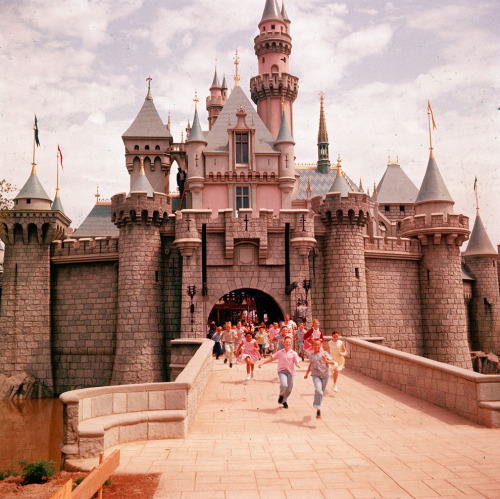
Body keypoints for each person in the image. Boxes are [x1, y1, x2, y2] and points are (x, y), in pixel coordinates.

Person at [258, 336, 301, 408]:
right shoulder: (280, 352)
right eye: (286, 342)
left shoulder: (294, 353)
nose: (288, 343)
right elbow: (272, 359)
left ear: (291, 343)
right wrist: (263, 363)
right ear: (284, 343)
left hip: (291, 372)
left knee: (289, 389)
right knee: (284, 385)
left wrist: (298, 365)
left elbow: (297, 362)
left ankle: (284, 400)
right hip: (282, 371)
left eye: (289, 342)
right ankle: (281, 395)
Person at [304, 339, 338, 418]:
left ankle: (316, 401)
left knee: (321, 392)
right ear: (312, 346)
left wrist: (326, 361)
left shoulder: (325, 353)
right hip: (316, 375)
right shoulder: (311, 355)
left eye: (318, 345)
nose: (317, 346)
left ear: (321, 346)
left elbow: (333, 362)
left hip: (325, 375)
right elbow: (311, 365)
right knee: (318, 390)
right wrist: (306, 374)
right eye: (315, 345)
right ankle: (318, 408)